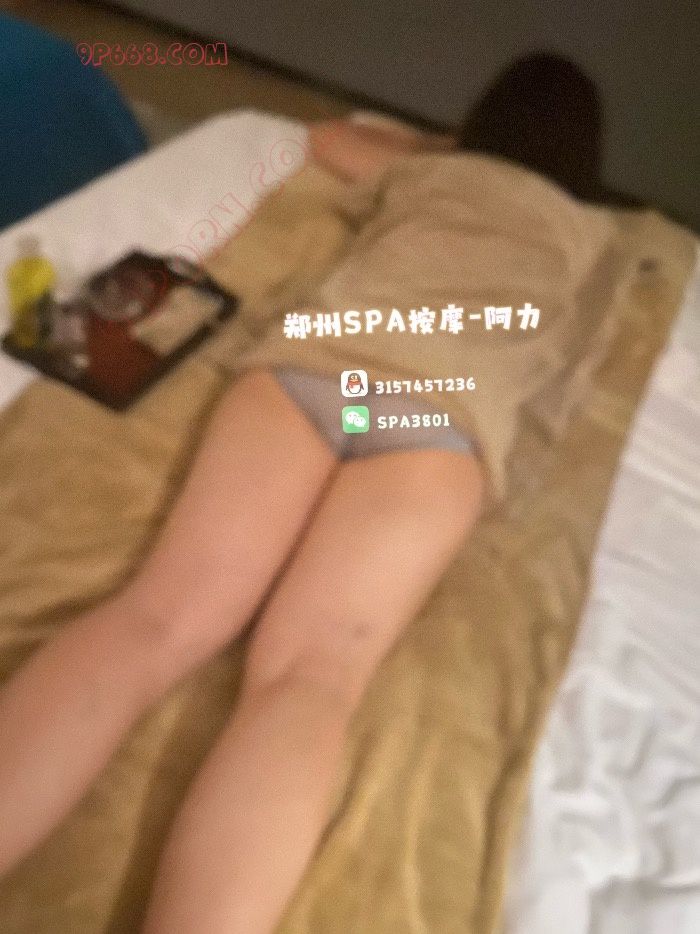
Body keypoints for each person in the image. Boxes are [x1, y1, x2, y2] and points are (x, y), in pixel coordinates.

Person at [0, 55, 611, 933]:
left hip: (319, 377)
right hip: (435, 412)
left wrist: (443, 146)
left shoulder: (429, 172)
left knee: (155, 620)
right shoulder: (588, 231)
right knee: (310, 682)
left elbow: (327, 138)